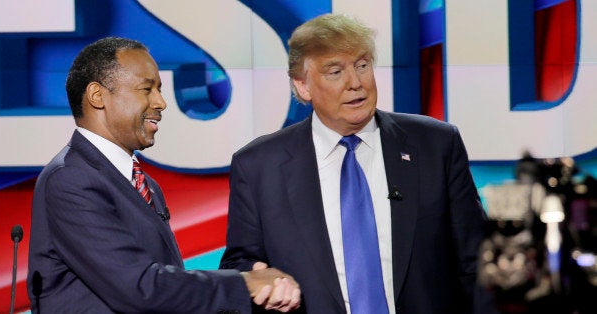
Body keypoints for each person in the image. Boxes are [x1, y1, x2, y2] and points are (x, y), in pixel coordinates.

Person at [220, 13, 489, 313]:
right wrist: (259, 280)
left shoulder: (435, 145)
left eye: (362, 66)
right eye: (335, 72)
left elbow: (478, 261)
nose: (355, 83)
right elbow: (241, 264)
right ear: (303, 87)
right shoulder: (258, 166)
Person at [27, 37, 301, 313]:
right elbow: (139, 287)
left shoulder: (143, 183)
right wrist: (244, 284)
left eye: (159, 90)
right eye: (147, 89)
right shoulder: (71, 179)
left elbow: (165, 286)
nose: (161, 102)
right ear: (98, 96)